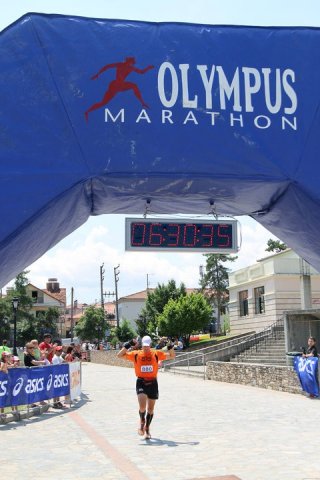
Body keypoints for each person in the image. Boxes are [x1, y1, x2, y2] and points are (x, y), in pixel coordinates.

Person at [117, 335, 175, 439]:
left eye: (147, 346)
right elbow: (119, 355)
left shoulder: (156, 353)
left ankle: (147, 428)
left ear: (150, 345)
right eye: (144, 346)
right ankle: (142, 421)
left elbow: (172, 356)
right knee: (142, 407)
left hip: (153, 382)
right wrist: (129, 344)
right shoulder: (136, 354)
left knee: (151, 409)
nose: (146, 348)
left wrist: (170, 347)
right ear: (142, 345)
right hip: (141, 382)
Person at [85, 56, 154, 121]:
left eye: (131, 63)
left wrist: (148, 68)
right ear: (128, 61)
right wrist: (98, 74)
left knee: (134, 86)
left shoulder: (130, 67)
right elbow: (107, 66)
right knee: (103, 103)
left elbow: (141, 72)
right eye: (130, 62)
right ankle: (87, 111)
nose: (130, 64)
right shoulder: (121, 65)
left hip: (120, 85)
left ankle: (142, 102)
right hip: (115, 86)